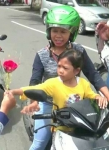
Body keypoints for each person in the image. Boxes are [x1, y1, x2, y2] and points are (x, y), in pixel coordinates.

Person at [21, 6, 109, 150]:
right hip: (49, 104)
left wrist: (107, 96)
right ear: (49, 31)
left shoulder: (78, 51)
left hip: (75, 105)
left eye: (63, 31)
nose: (58, 35)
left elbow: (94, 76)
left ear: (72, 33)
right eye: (55, 31)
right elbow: (35, 81)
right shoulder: (42, 55)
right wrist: (34, 102)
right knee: (39, 144)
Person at [8, 49, 108, 148]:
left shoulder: (83, 84)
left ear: (76, 70)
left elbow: (91, 96)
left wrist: (99, 97)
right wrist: (14, 92)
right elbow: (35, 88)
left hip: (79, 127)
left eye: (65, 68)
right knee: (39, 145)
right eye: (59, 66)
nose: (60, 70)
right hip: (60, 128)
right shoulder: (54, 83)